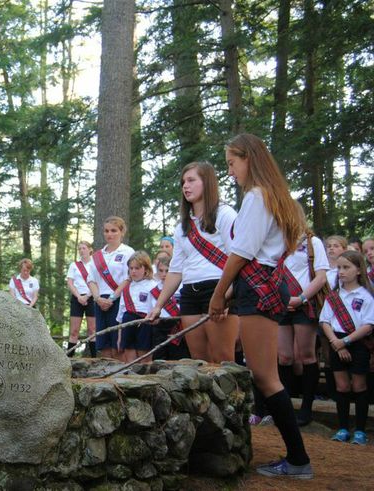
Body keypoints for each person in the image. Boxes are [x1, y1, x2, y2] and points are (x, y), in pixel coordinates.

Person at [209, 133, 312, 479]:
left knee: (266, 377)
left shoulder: (256, 197)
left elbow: (242, 252)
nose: (231, 170)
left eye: (232, 163)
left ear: (248, 158)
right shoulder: (276, 198)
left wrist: (219, 292)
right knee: (266, 375)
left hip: (257, 287)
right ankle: (297, 458)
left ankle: (298, 460)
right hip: (265, 285)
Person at [147, 161, 238, 364]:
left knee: (222, 359)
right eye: (183, 182)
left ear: (207, 182)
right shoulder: (182, 227)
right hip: (189, 293)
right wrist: (158, 305)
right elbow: (176, 270)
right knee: (199, 360)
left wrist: (227, 296)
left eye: (191, 180)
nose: (185, 186)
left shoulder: (225, 214)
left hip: (218, 288)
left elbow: (237, 257)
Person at [277, 205, 329, 426]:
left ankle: (306, 408)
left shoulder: (312, 243)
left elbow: (321, 277)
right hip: (281, 305)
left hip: (303, 304)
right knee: (284, 356)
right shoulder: (277, 243)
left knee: (307, 356)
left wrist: (301, 299)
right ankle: (286, 407)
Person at [318, 250, 373, 445]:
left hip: (357, 343)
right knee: (341, 386)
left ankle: (359, 430)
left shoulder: (366, 296)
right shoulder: (333, 296)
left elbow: (368, 325)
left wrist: (346, 342)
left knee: (359, 385)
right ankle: (342, 428)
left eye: (346, 267)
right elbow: (325, 321)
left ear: (358, 270)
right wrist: (336, 342)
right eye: (339, 267)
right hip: (336, 341)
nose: (341, 271)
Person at [88, 216, 135, 360]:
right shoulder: (97, 256)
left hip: (119, 301)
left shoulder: (128, 252)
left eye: (113, 230)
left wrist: (112, 298)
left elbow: (129, 277)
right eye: (106, 231)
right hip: (100, 301)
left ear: (122, 231)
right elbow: (91, 279)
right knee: (103, 343)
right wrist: (98, 298)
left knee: (118, 343)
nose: (110, 234)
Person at [116, 251, 156, 363]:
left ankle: (145, 378)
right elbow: (121, 314)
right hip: (128, 323)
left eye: (137, 268)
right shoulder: (126, 288)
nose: (133, 271)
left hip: (145, 323)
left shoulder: (153, 285)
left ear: (146, 269)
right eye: (131, 268)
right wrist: (120, 336)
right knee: (129, 354)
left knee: (145, 354)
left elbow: (156, 308)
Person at [66, 241, 96, 357]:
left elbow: (97, 282)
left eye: (84, 248)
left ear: (90, 250)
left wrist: (88, 296)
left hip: (92, 297)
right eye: (79, 249)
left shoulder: (95, 264)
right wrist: (79, 296)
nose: (81, 251)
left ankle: (94, 358)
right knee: (74, 331)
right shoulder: (74, 265)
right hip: (77, 298)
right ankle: (69, 358)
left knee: (92, 330)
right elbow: (70, 282)